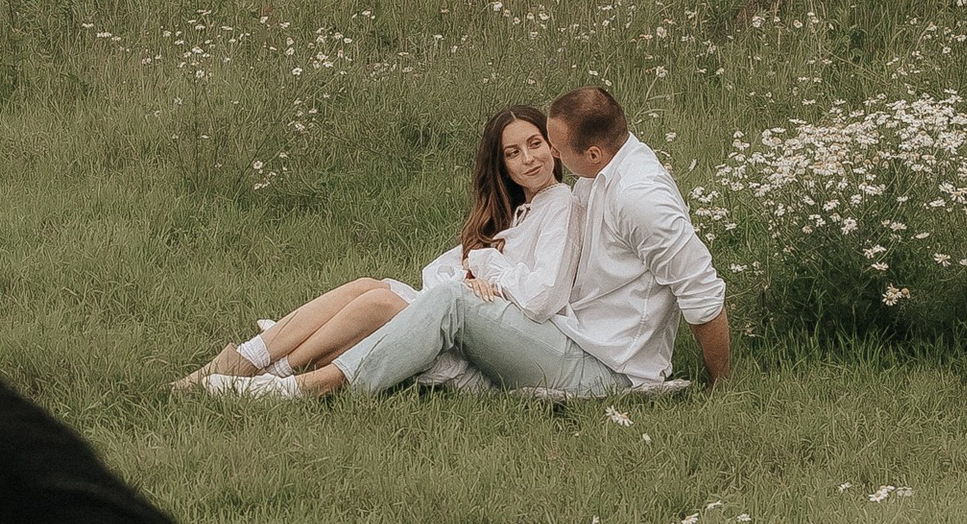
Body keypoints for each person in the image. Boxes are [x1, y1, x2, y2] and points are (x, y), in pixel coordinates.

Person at [300, 82, 729, 405]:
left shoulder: (641, 199)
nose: (550, 158)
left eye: (555, 148)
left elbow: (703, 295)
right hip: (572, 337)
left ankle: (315, 387)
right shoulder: (597, 178)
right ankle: (293, 369)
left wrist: (719, 387)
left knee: (451, 303)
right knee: (417, 301)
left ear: (594, 153)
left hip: (609, 370)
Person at [173, 105, 578, 393]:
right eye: (513, 152)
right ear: (501, 165)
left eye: (535, 144)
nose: (529, 159)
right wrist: (474, 274)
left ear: (553, 147)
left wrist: (487, 274)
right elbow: (442, 273)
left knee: (380, 304)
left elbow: (542, 295)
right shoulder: (513, 210)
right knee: (369, 286)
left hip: (495, 334)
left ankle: (274, 375)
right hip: (463, 314)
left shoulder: (559, 202)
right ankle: (244, 362)